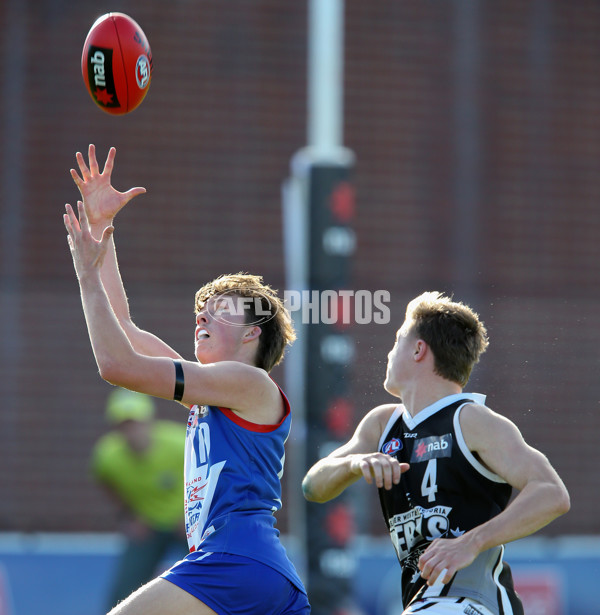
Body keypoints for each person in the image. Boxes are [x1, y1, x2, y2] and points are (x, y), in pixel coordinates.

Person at [64, 144, 310, 615]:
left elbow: (117, 365)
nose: (203, 314)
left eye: (220, 308)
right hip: (253, 574)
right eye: (201, 308)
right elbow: (126, 331)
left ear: (251, 333)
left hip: (237, 562)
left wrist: (85, 274)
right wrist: (101, 229)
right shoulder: (215, 395)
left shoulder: (250, 382)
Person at [302, 291, 570, 615]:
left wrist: (470, 543)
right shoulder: (381, 424)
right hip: (424, 603)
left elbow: (553, 493)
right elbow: (312, 487)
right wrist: (355, 463)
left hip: (473, 603)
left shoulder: (472, 420)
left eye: (397, 340)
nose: (389, 353)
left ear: (418, 349)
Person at [91, 388, 187, 609]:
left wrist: (193, 516)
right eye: (124, 425)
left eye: (136, 423)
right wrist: (130, 518)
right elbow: (107, 483)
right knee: (124, 590)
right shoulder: (108, 456)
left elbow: (209, 477)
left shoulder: (179, 443)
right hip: (149, 527)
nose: (132, 431)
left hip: (187, 525)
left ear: (149, 420)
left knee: (216, 575)